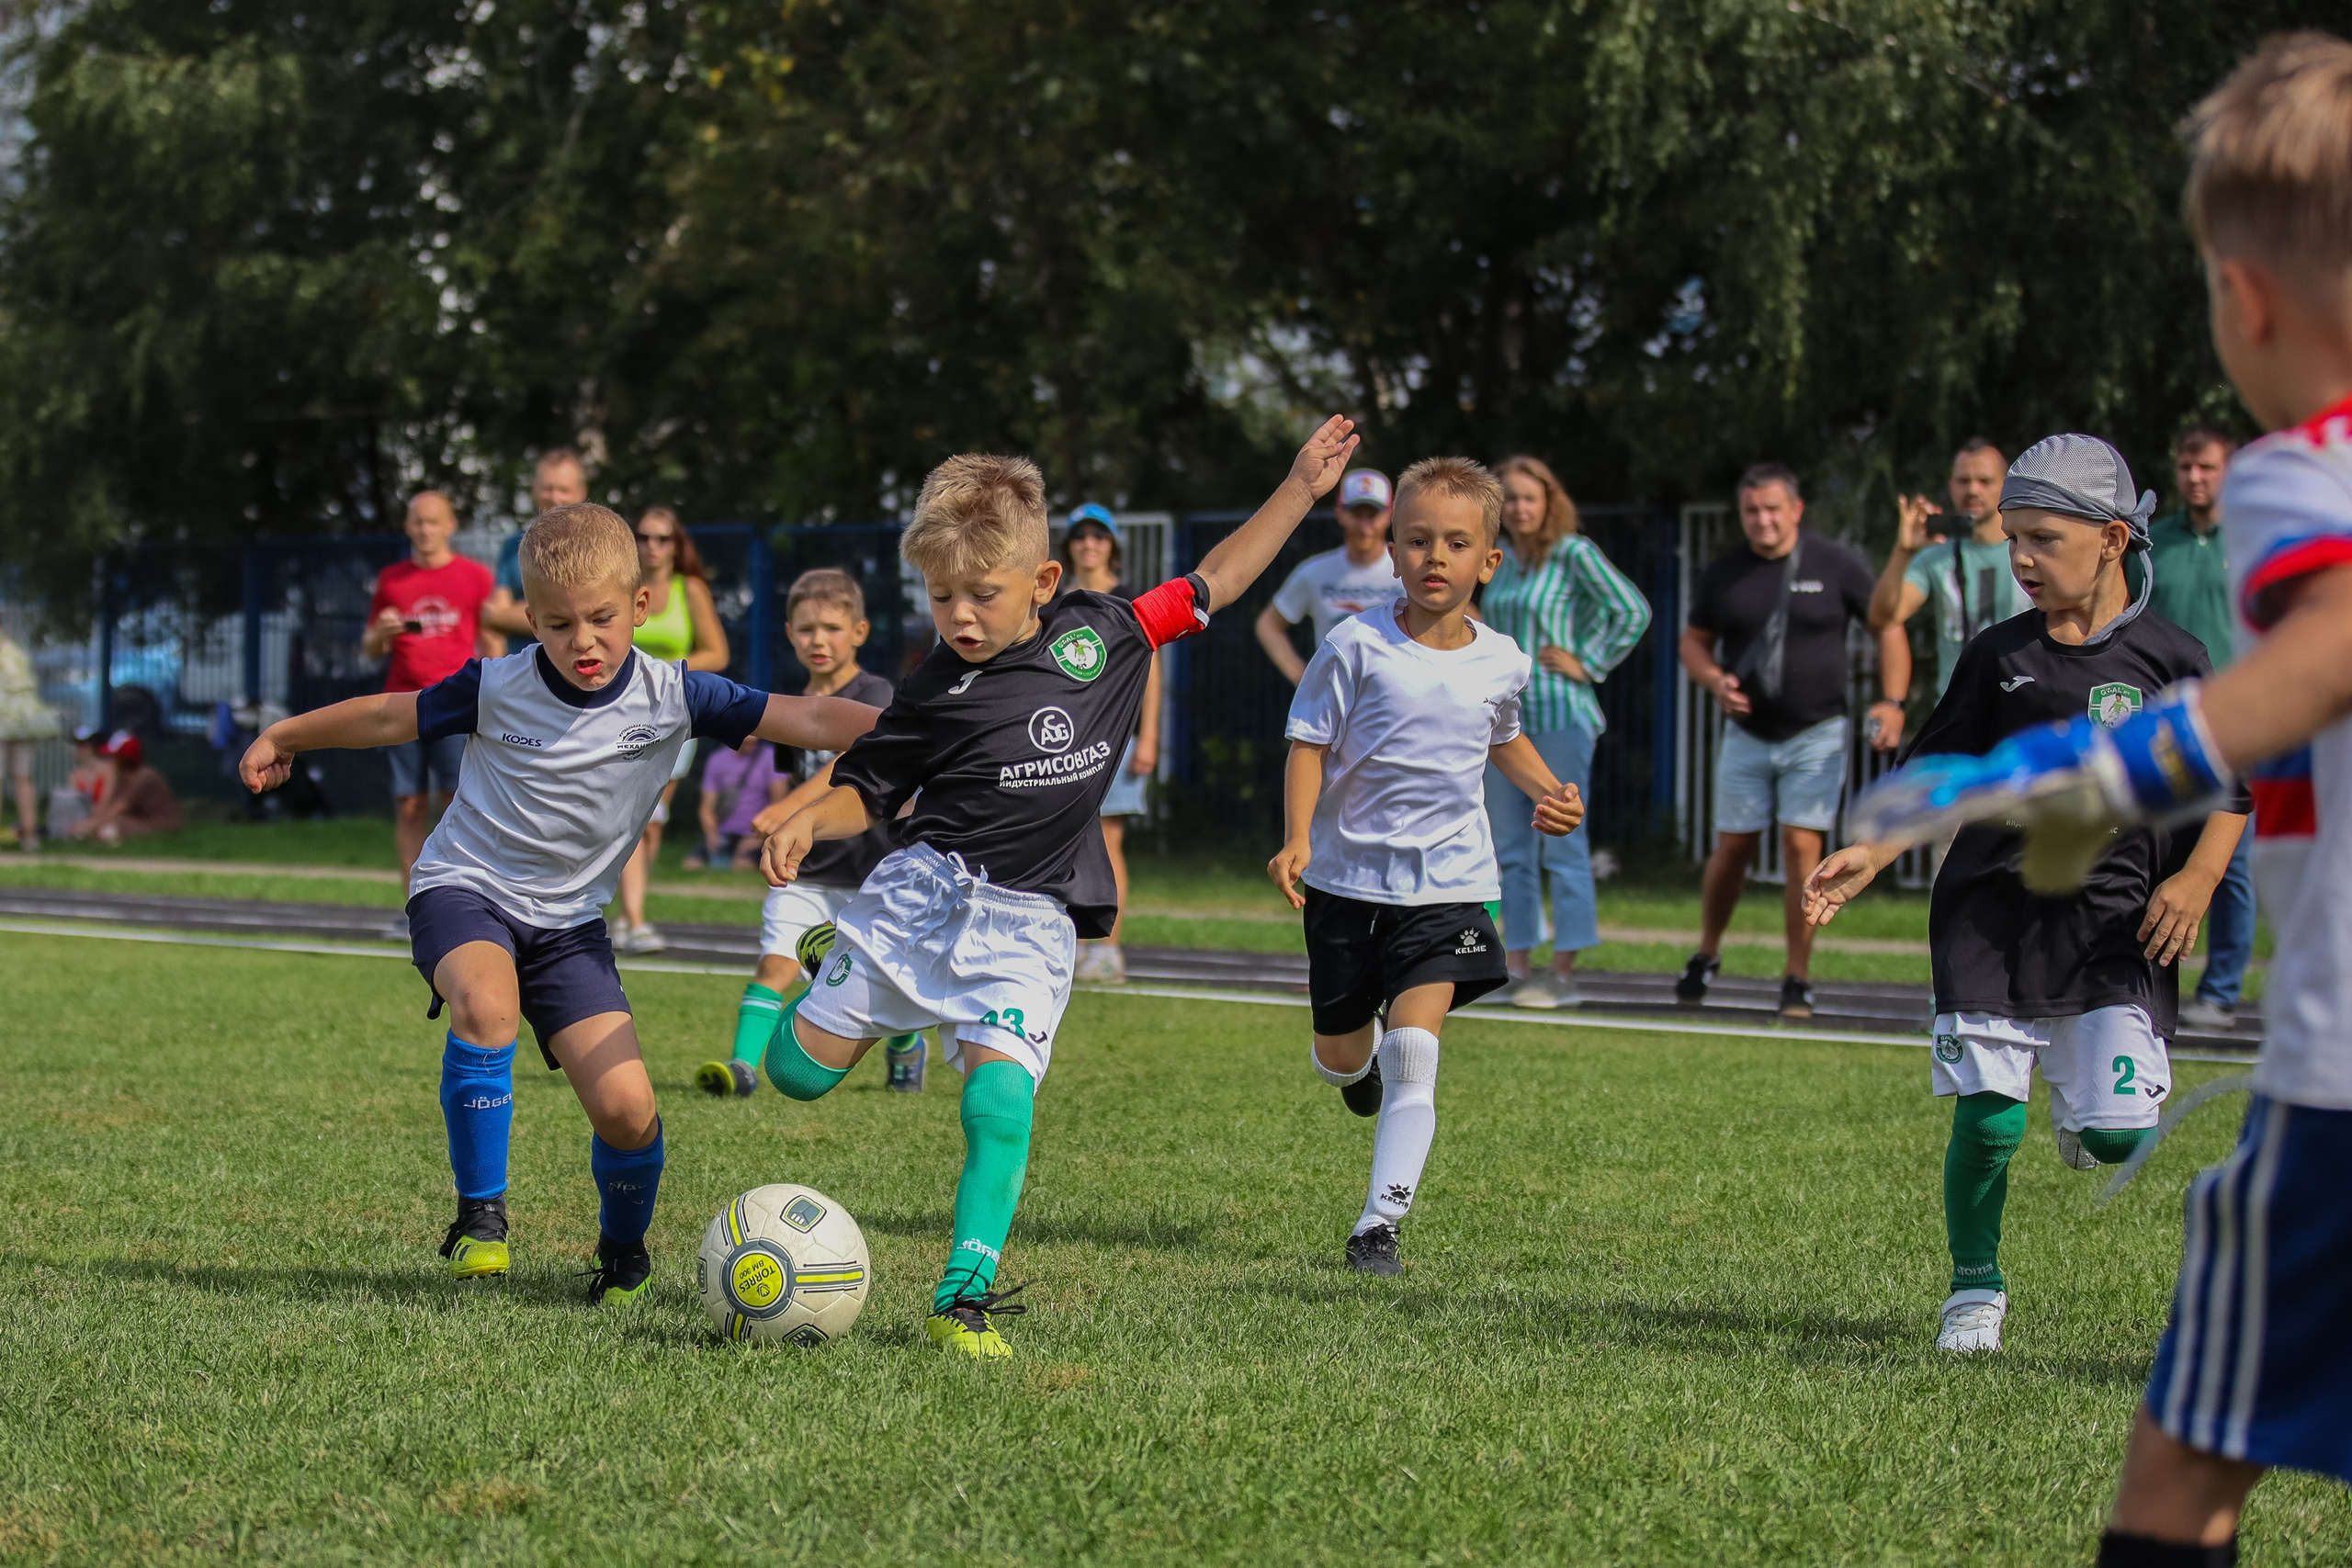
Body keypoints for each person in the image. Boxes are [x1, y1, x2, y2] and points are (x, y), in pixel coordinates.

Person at [1839, 39, 2352, 1556]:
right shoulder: (2004, 640)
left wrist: (2088, 772)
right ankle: (1975, 1283)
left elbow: (2322, 653)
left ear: (2243, 300)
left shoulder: (2299, 469)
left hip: (2339, 1094)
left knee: (2184, 1470)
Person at [756, 415, 1363, 1358]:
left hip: (1029, 923)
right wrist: (809, 814)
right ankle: (833, 954)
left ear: (1043, 584)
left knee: (998, 1103)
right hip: (920, 899)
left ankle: (964, 1291)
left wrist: (1297, 488)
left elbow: (1220, 582)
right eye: (941, 594)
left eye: (981, 595)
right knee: (792, 1077)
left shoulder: (1106, 634)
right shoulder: (928, 688)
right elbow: (866, 789)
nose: (958, 616)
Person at [236, 502, 880, 1303]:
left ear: (640, 608)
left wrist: (924, 733)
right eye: (559, 623)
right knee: (487, 1003)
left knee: (628, 1109)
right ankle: (481, 1216)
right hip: (464, 887)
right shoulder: (496, 685)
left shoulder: (676, 694)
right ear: (530, 619)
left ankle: (622, 1251)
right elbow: (387, 713)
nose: (584, 641)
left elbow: (813, 714)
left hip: (570, 927)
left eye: (603, 618)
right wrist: (286, 733)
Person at [1804, 432, 2248, 1359]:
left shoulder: (2173, 659)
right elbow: (1939, 772)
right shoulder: (1996, 655)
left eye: (2042, 538)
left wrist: (2197, 877)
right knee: (1989, 1118)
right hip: (1989, 915)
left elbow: (2231, 787)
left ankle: (2082, 1107)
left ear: (2113, 539)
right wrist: (1873, 853)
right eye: (2013, 538)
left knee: (2122, 1137)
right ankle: (1973, 1290)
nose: (2020, 559)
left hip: (2113, 929)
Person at [1269, 457, 1585, 1277]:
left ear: (1490, 561)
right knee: (1344, 1053)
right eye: (1417, 541)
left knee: (1415, 1046)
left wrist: (1552, 791)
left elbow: (1502, 737)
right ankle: (1353, 1068)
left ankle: (1378, 1225)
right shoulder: (1353, 644)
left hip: (1448, 887)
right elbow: (1309, 743)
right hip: (1345, 885)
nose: (1433, 557)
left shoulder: (1502, 660)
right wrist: (1299, 835)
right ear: (1396, 553)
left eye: (1456, 542)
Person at [1675, 464, 1911, 1018]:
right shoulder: (1726, 572)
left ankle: (1797, 977)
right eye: (1752, 511)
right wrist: (1713, 680)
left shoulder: (1833, 562)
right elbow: (1694, 641)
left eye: (1773, 509)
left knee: (1801, 849)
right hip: (1747, 731)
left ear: (1796, 510)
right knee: (1733, 848)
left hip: (1817, 732)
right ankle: (1707, 951)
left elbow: (1888, 623)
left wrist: (1893, 701)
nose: (1763, 520)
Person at [697, 568, 920, 1100]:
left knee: (889, 982)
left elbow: (852, 761)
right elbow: (786, 782)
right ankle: (742, 1069)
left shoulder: (876, 693)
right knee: (776, 963)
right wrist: (771, 830)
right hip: (808, 875)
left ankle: (907, 1050)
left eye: (831, 628)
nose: (817, 640)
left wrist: (796, 808)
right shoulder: (790, 707)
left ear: (860, 632)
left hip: (871, 872)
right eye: (804, 629)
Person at [1478, 455, 1651, 1009]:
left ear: (1550, 501)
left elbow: (1632, 610)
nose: (1520, 508)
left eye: (1531, 497)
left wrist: (1589, 662)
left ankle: (1563, 973)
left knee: (1563, 842)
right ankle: (1518, 969)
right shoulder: (1499, 561)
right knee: (1510, 849)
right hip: (1505, 721)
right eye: (1510, 498)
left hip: (1562, 716)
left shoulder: (1573, 552)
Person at [2148, 426, 2254, 1032]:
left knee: (2229, 862)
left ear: (2228, 471)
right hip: (2168, 723)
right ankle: (2152, 978)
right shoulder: (2155, 543)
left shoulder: (2253, 536)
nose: (2195, 478)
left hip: (2242, 720)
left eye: (2207, 467)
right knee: (2160, 850)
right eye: (2186, 467)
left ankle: (2221, 989)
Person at [365, 490, 499, 935]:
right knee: (408, 804)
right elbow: (369, 649)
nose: (425, 530)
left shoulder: (475, 577)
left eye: (433, 522)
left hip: (455, 704)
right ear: (407, 526)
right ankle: (413, 907)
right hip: (401, 702)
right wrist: (381, 634)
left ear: (450, 525)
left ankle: (461, 900)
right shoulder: (392, 579)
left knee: (457, 801)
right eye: (417, 522)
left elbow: (493, 640)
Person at [611, 507, 731, 954]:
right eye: (643, 537)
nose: (652, 546)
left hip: (673, 715)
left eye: (663, 538)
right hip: (619, 714)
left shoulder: (690, 589)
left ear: (677, 545)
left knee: (652, 822)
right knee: (632, 816)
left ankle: (626, 915)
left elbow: (716, 653)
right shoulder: (621, 586)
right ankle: (636, 920)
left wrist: (661, 672)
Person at [1053, 504, 1162, 982]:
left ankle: (1109, 948)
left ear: (1112, 543)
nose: (1089, 543)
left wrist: (1149, 737)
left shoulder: (1128, 600)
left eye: (1099, 535)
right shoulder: (1053, 595)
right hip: (1061, 736)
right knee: (1060, 840)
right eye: (1081, 536)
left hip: (1115, 736)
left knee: (1109, 841)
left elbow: (1150, 671)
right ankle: (1071, 942)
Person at [1868, 439, 2031, 700]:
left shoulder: (2030, 551)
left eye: (1984, 481)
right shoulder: (1936, 557)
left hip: (2024, 706)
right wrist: (1903, 551)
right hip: (1958, 710)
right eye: (1963, 481)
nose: (1973, 490)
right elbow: (1884, 617)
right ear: (1951, 486)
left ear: (2005, 486)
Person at [1254, 468, 1399, 682]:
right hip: (1335, 701)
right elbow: (1268, 625)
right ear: (1340, 512)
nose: (1365, 526)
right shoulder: (1315, 573)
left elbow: (1462, 618)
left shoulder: (1409, 571)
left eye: (1373, 515)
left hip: (1397, 700)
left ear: (1390, 514)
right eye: (1357, 514)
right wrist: (1301, 677)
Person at [483, 448, 588, 642]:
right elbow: (493, 618)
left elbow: (580, 613)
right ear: (534, 489)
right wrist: (557, 613)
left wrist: (510, 614)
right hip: (523, 666)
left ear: (581, 493)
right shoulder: (512, 547)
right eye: (547, 488)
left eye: (564, 490)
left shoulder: (594, 546)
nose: (555, 498)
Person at [0, 617, 60, 850]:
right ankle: (30, 836)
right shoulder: (17, 652)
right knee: (23, 777)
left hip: (4, 721)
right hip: (27, 722)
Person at [684, 736, 784, 870]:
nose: (749, 739)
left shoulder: (771, 757)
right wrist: (712, 836)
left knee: (741, 866)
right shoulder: (717, 759)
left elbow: (780, 804)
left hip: (756, 834)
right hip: (723, 833)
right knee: (691, 865)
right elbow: (706, 809)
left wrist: (760, 838)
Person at [70, 731, 183, 842]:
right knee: (112, 822)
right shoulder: (125, 775)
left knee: (115, 823)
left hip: (162, 825)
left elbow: (117, 808)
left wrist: (89, 826)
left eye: (114, 757)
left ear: (124, 759)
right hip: (142, 820)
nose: (110, 761)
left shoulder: (142, 776)